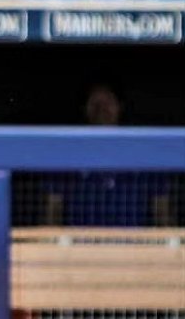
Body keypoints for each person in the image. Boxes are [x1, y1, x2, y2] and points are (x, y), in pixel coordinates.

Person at [43, 83, 172, 227]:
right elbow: (54, 211)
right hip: (80, 244)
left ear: (120, 106)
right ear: (85, 108)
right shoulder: (66, 155)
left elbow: (162, 213)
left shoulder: (145, 154)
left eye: (108, 102)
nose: (101, 109)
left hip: (133, 245)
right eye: (95, 103)